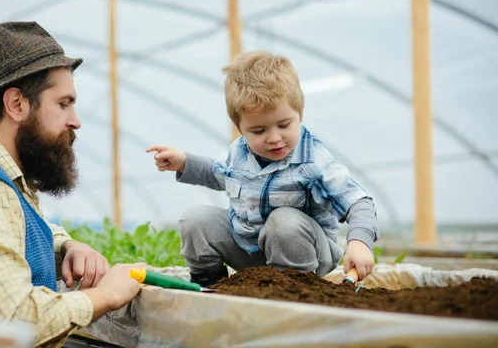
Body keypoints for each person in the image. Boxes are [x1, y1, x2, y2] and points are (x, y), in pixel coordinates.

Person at [0, 21, 146, 347]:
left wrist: (65, 247)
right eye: (63, 103)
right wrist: (106, 295)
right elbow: (12, 321)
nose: (75, 120)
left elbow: (14, 230)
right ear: (17, 104)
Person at [147, 51, 379, 286]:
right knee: (195, 218)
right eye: (259, 131)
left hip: (305, 257)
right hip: (251, 251)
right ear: (240, 128)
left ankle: (290, 289)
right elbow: (217, 173)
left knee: (283, 221)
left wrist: (359, 242)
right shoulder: (239, 153)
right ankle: (211, 287)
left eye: (284, 124)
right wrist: (184, 162)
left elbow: (358, 202)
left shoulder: (313, 162)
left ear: (300, 114)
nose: (274, 138)